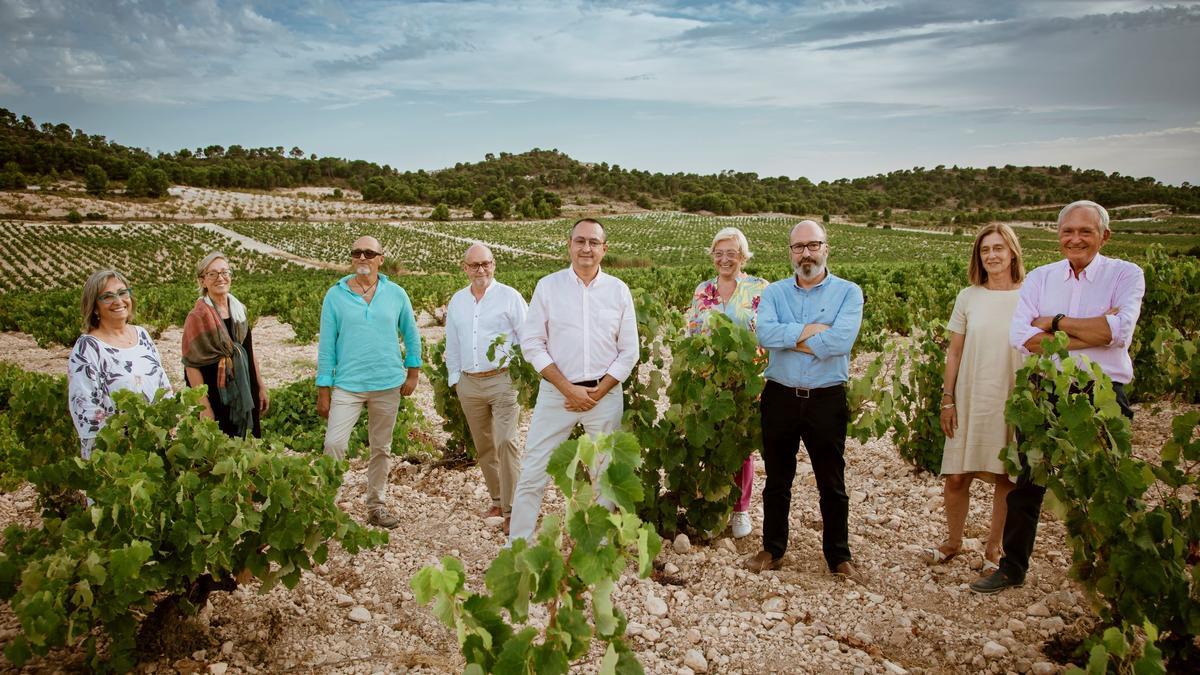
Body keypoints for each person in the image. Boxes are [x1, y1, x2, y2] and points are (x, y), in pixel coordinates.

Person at [971, 200, 1144, 594]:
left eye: (1085, 231)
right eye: (1068, 231)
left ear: (1105, 235)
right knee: (1028, 482)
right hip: (1044, 390)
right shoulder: (1041, 278)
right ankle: (1012, 567)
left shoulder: (1126, 274)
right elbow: (1021, 336)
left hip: (1103, 393)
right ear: (1058, 235)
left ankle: (1112, 573)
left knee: (1108, 483)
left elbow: (1119, 334)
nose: (1075, 238)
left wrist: (1054, 323)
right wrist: (1091, 331)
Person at [746, 220, 866, 584]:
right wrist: (812, 332)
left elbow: (840, 343)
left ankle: (838, 556)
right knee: (777, 479)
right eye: (798, 247)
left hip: (826, 398)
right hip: (779, 394)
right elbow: (765, 333)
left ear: (826, 248)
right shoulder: (775, 293)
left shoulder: (848, 292)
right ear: (790, 252)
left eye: (813, 245)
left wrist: (790, 337)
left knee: (832, 481)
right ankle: (773, 548)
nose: (806, 254)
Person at [507, 218, 639, 545]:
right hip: (557, 394)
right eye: (580, 241)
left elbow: (629, 351)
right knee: (534, 469)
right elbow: (533, 343)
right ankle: (517, 543)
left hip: (603, 395)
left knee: (605, 472)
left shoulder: (618, 291)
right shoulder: (547, 287)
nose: (586, 248)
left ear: (604, 249)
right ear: (569, 245)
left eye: (594, 242)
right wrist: (568, 389)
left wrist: (598, 391)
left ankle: (601, 545)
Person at [929, 224, 1024, 572]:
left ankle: (993, 549)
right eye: (985, 250)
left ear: (1012, 251)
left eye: (999, 248)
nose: (992, 255)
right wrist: (948, 398)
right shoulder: (968, 296)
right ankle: (953, 541)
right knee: (956, 475)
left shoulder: (1030, 295)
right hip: (970, 394)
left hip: (1012, 395)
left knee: (1005, 476)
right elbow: (954, 352)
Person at [316, 235, 422, 529]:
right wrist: (323, 390)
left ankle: (376, 506)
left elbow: (412, 335)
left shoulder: (396, 293)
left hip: (387, 384)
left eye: (368, 253)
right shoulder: (335, 295)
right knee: (334, 444)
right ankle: (326, 509)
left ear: (380, 259)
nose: (362, 258)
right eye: (356, 253)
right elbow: (326, 346)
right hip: (347, 385)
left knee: (381, 448)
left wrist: (413, 372)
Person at [682, 226, 769, 539]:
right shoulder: (703, 290)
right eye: (719, 254)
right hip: (708, 379)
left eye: (731, 253)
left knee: (739, 446)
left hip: (747, 380)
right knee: (708, 441)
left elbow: (769, 333)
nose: (725, 259)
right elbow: (692, 332)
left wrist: (762, 372)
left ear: (743, 256)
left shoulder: (759, 288)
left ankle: (740, 509)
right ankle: (711, 504)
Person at [445, 243, 528, 534]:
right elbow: (452, 342)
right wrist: (455, 379)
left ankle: (513, 510)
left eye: (486, 263)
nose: (481, 269)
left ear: (494, 265)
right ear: (464, 268)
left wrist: (524, 376)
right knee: (484, 446)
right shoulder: (457, 301)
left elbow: (527, 336)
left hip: (504, 380)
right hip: (470, 383)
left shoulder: (510, 297)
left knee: (507, 441)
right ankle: (497, 498)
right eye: (474, 265)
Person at [68, 269, 172, 458]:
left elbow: (163, 384)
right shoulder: (88, 348)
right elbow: (87, 409)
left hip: (155, 445)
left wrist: (168, 425)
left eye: (123, 293)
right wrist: (120, 447)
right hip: (115, 453)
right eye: (107, 296)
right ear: (95, 306)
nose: (118, 301)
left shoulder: (142, 335)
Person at [182, 252, 269, 438]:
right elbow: (191, 365)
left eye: (224, 272)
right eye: (212, 274)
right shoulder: (197, 317)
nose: (220, 278)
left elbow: (248, 350)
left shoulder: (240, 310)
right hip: (217, 393)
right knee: (221, 448)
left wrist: (260, 386)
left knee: (249, 443)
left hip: (245, 387)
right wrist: (204, 407)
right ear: (202, 281)